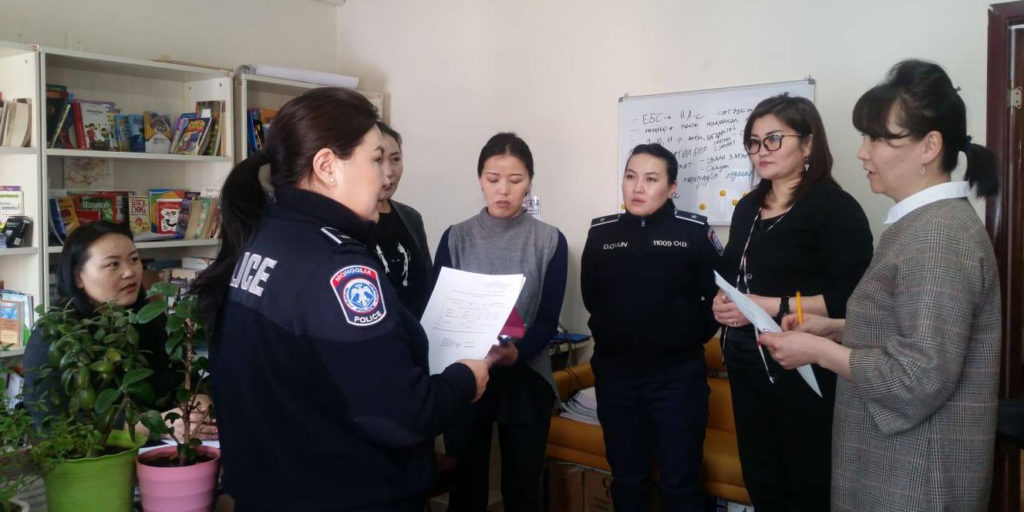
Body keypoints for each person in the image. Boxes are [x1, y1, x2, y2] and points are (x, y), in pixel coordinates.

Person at [189, 87, 490, 511]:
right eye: (375, 159)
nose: (386, 176)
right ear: (327, 167)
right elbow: (401, 414)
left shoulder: (261, 237)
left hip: (269, 490)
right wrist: (465, 379)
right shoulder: (338, 269)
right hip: (341, 493)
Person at [759, 59, 1001, 511]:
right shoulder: (922, 224)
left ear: (930, 146)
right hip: (894, 466)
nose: (862, 153)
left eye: (877, 138)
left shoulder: (937, 236)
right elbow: (911, 332)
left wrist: (818, 351)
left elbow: (918, 376)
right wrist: (835, 329)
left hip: (914, 478)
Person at [711, 94, 873, 510]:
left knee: (807, 485)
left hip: (805, 371)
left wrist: (767, 305)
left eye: (774, 139)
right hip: (747, 367)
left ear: (808, 143)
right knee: (762, 482)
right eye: (754, 142)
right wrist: (724, 303)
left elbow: (852, 300)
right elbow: (734, 277)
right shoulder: (748, 207)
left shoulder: (835, 208)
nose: (760, 151)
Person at [580, 143, 721, 510]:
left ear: (672, 187)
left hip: (676, 379)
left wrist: (688, 334)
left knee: (681, 482)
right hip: (616, 377)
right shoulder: (601, 234)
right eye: (631, 177)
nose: (638, 187)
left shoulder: (693, 232)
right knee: (628, 480)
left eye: (651, 179)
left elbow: (720, 299)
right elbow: (592, 298)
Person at [436, 132, 567, 512]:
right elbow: (441, 310)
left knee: (523, 488)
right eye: (493, 179)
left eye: (515, 180)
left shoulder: (550, 241)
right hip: (465, 373)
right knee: (467, 486)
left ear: (530, 182)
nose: (504, 190)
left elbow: (548, 318)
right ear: (480, 180)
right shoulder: (456, 237)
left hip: (525, 375)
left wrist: (515, 353)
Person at [22, 221, 216, 439]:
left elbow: (182, 380)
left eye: (134, 259)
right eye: (113, 264)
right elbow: (53, 424)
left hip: (164, 450)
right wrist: (154, 427)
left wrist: (198, 400)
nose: (129, 272)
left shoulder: (149, 318)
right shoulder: (54, 335)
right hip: (97, 456)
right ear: (78, 277)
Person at [373, 121, 432, 318]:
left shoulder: (411, 217)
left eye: (395, 159)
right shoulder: (349, 220)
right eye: (378, 160)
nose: (389, 171)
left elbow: (427, 282)